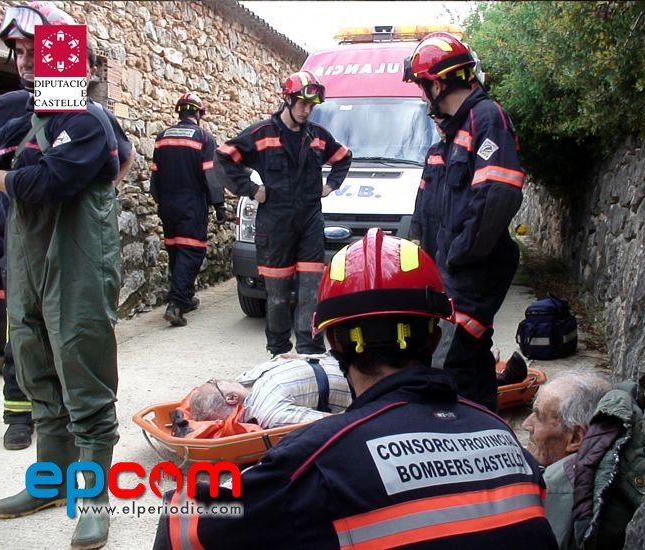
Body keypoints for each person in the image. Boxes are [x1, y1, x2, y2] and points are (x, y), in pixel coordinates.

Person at [153, 228, 557, 549]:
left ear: (333, 343)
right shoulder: (505, 438)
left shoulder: (319, 458)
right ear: (434, 338)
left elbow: (181, 529)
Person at [0, 4, 122, 547]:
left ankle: (93, 499)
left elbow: (44, 184)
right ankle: (49, 482)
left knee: (81, 365)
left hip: (78, 261)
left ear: (63, 54)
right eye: (18, 51)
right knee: (33, 359)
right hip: (28, 259)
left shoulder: (87, 119)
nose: (24, 61)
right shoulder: (22, 121)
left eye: (35, 49)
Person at [404, 32, 525, 412]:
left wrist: (458, 256)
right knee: (468, 361)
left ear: (437, 84)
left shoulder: (485, 118)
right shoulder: (450, 136)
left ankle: (452, 430)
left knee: (448, 361)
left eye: (422, 86)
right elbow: (429, 210)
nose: (422, 95)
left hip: (471, 270)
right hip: (451, 272)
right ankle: (483, 428)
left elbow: (498, 195)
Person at [216, 70, 351, 356]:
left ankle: (310, 351)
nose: (307, 110)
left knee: (311, 292)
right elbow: (224, 157)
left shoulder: (318, 137)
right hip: (276, 226)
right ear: (287, 100)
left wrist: (331, 185)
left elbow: (343, 157)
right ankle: (278, 352)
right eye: (302, 104)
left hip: (310, 223)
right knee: (277, 296)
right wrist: (251, 189)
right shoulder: (262, 134)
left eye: (311, 106)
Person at [522, 372, 645, 549]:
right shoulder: (627, 448)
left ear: (575, 438)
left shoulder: (559, 488)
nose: (526, 425)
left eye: (539, 416)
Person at [151, 92, 224, 327]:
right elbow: (211, 175)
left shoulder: (162, 137)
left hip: (167, 203)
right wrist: (219, 205)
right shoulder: (203, 137)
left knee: (175, 250)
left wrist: (161, 202)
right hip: (191, 203)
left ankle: (186, 296)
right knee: (191, 252)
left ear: (179, 112)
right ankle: (176, 304)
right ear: (199, 114)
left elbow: (154, 177)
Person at [173, 354, 352, 437]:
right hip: (356, 375)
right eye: (215, 382)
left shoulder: (246, 380)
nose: (218, 378)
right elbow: (338, 422)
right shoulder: (270, 413)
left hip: (337, 357)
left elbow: (285, 357)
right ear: (231, 398)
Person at [410, 118, 445, 258]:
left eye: (443, 123)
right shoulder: (432, 152)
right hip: (429, 230)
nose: (440, 128)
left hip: (449, 232)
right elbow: (421, 195)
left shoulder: (462, 152)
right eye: (437, 123)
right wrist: (415, 232)